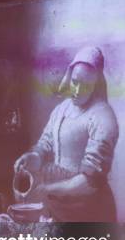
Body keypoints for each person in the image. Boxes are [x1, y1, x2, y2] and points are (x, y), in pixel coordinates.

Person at [14, 46, 119, 222]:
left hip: (90, 210)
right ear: (69, 77)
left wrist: (48, 189)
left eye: (86, 85)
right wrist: (31, 157)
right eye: (75, 82)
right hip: (59, 207)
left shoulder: (103, 116)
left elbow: (90, 182)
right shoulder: (61, 109)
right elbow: (45, 146)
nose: (77, 90)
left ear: (96, 85)